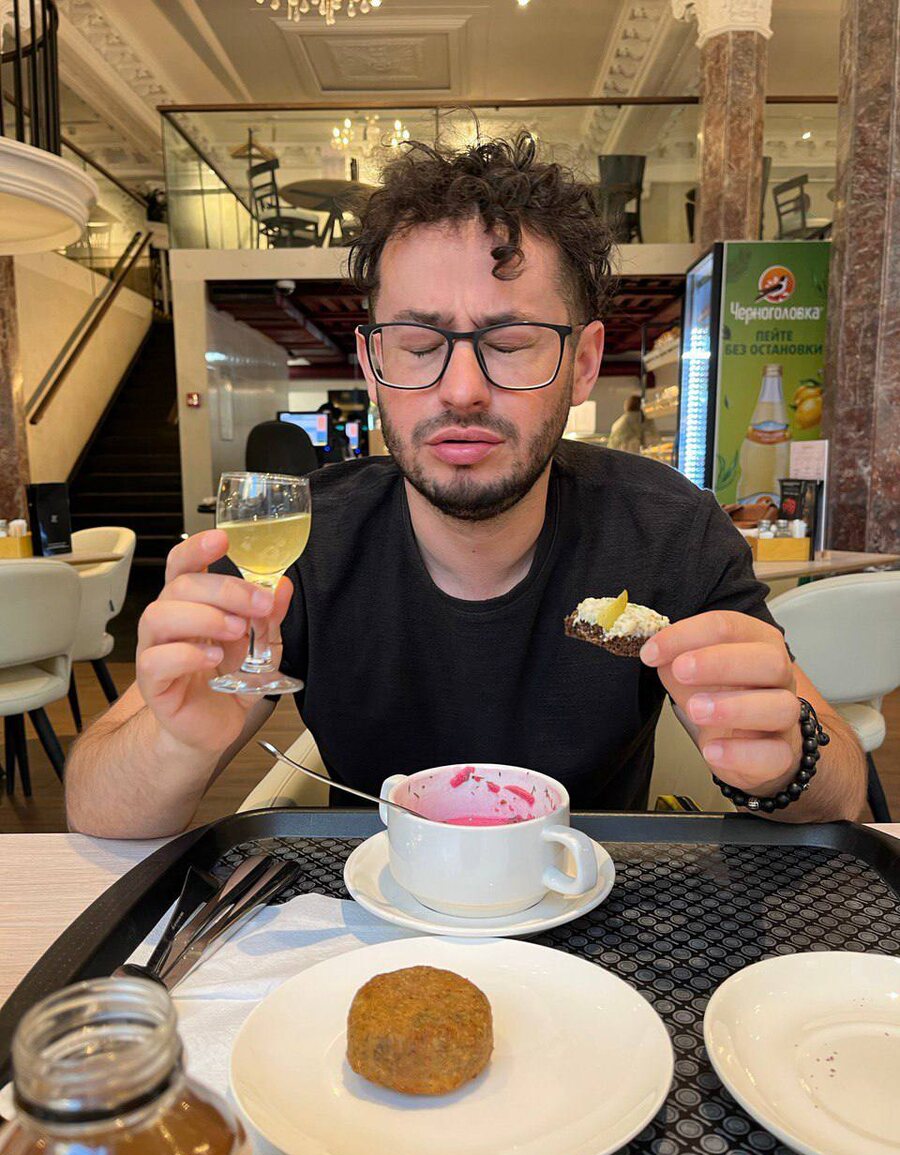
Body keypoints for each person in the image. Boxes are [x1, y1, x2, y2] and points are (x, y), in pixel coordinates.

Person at [66, 134, 866, 838]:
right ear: (373, 362)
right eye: (418, 345)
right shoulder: (299, 543)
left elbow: (848, 799)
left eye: (510, 343)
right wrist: (174, 743)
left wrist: (784, 762)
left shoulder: (669, 531)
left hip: (592, 908)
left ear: (584, 363)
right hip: (362, 922)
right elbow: (97, 808)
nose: (461, 390)